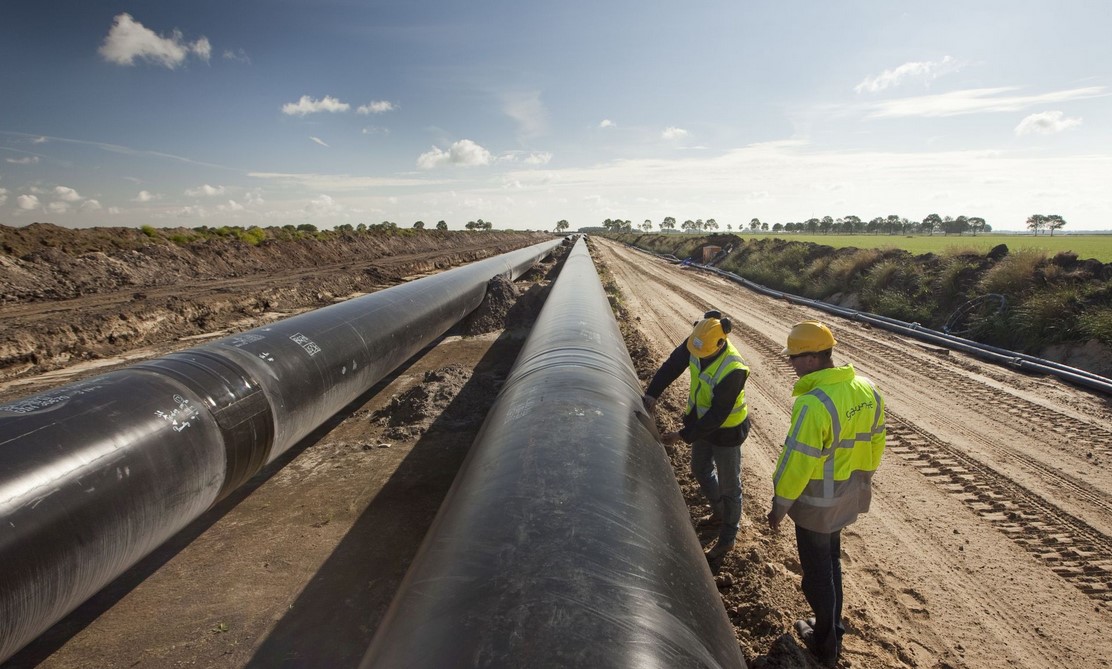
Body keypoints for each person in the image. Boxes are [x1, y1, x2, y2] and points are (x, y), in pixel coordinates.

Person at [766, 321, 886, 668]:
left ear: (813, 359)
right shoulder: (867, 389)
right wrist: (860, 482)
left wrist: (780, 505)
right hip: (849, 494)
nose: (791, 365)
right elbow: (876, 443)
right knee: (831, 562)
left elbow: (796, 462)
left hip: (818, 503)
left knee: (817, 573)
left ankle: (825, 644)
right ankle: (831, 626)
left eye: (795, 359)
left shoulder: (813, 403)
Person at [643, 310, 751, 564]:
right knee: (700, 469)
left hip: (727, 432)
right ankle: (719, 513)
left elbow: (718, 415)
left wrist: (682, 435)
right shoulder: (698, 342)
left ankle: (727, 538)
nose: (698, 357)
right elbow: (672, 365)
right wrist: (652, 393)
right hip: (700, 422)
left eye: (705, 354)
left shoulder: (734, 369)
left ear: (721, 343)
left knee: (730, 486)